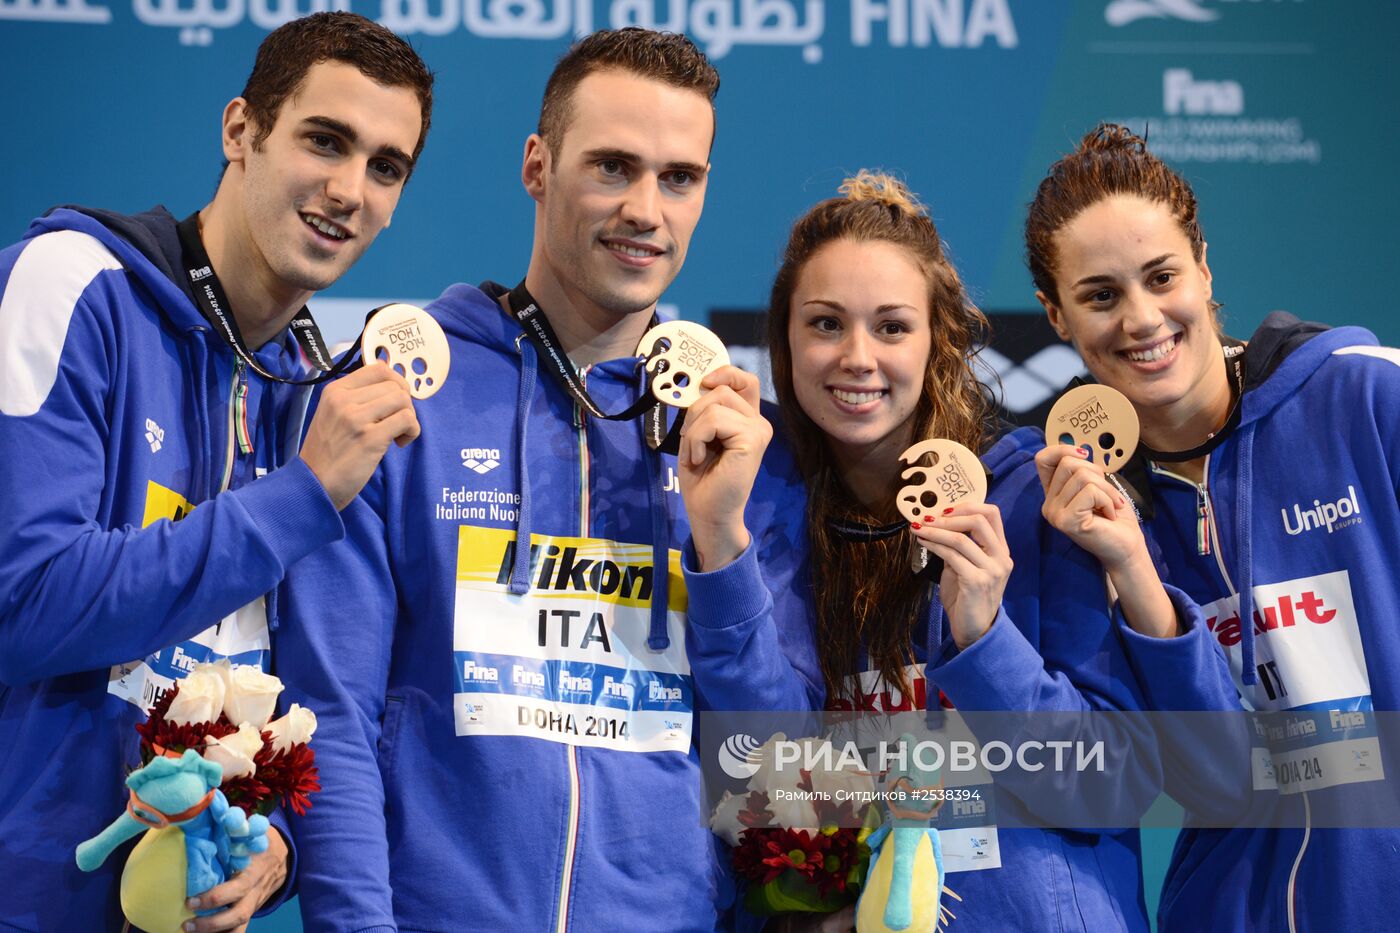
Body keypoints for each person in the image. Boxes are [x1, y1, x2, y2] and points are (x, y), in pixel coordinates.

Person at [276, 27, 819, 932]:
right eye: (612, 166)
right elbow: (332, 715)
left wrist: (721, 548)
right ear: (538, 164)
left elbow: (780, 773)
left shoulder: (733, 441)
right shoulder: (401, 395)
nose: (646, 208)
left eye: (677, 178)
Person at [681, 171, 1238, 931]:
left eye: (892, 326)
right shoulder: (763, 515)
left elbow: (1111, 785)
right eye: (824, 324)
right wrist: (720, 548)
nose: (857, 356)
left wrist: (983, 639)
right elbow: (765, 785)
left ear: (937, 339)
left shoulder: (1032, 501)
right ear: (783, 338)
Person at [0, 13, 433, 931]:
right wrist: (299, 496)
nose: (348, 189)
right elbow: (21, 599)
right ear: (241, 130)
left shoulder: (319, 393)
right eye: (325, 140)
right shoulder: (71, 284)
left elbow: (306, 698)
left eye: (385, 166)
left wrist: (277, 842)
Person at [1026, 123, 1400, 932]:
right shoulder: (1078, 516)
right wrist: (1133, 571)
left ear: (1203, 265)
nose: (1141, 318)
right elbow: (1211, 777)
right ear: (1056, 315)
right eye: (1099, 295)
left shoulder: (1366, 401)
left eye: (1161, 276)